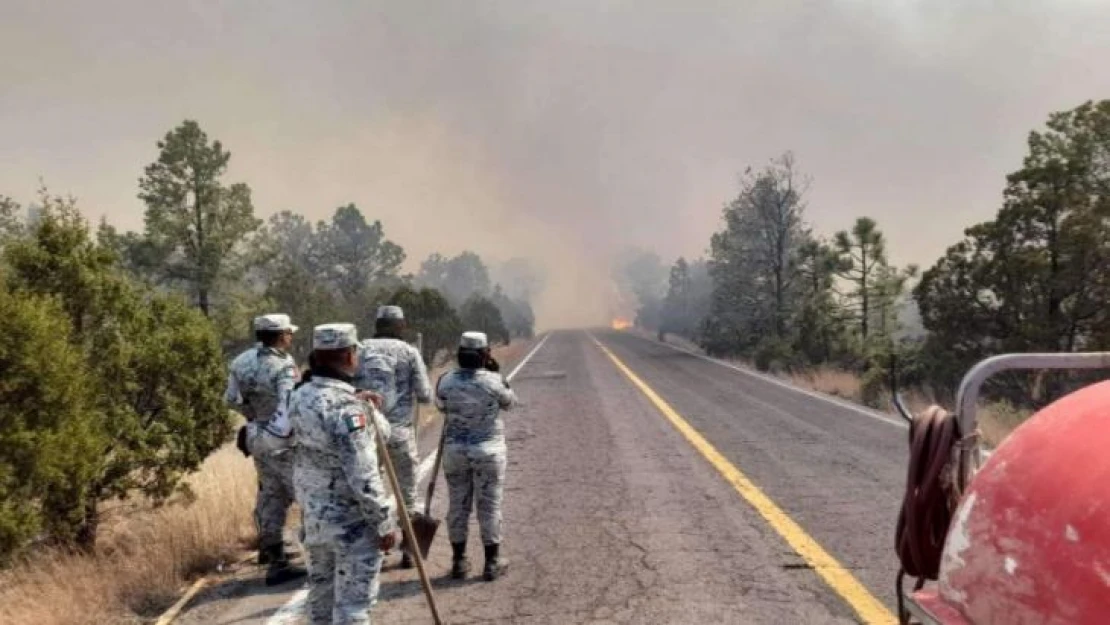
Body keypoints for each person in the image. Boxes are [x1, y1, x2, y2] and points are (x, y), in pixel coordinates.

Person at [289, 323, 398, 624]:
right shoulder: (349, 409)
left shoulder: (298, 397)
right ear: (349, 356)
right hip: (350, 523)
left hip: (315, 518)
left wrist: (365, 406)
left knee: (321, 602)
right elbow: (363, 474)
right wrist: (383, 521)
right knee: (353, 609)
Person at [225, 314, 306, 585]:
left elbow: (230, 399)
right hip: (283, 439)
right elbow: (288, 401)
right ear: (280, 335)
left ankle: (274, 558)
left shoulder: (241, 361)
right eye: (288, 333)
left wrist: (253, 415)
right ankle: (320, 555)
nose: (291, 337)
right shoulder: (283, 365)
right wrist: (282, 429)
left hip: (257, 435)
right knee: (305, 493)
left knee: (271, 496)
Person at [353, 305, 432, 569]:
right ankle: (409, 550)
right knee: (407, 494)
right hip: (399, 431)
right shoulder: (409, 352)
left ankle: (374, 547)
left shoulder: (360, 349)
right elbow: (425, 395)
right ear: (402, 324)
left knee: (366, 491)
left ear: (376, 324)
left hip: (366, 432)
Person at [436, 331, 517, 581]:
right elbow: (510, 403)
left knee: (458, 506)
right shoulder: (493, 381)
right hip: (488, 451)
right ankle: (492, 562)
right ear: (485, 355)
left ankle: (459, 561)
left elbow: (440, 405)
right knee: (489, 506)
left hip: (455, 451)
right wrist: (495, 371)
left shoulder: (446, 380)